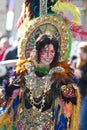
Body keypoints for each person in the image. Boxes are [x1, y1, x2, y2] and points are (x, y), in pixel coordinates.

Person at [0, 33, 80, 130]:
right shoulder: (24, 71)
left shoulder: (60, 76)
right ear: (38, 51)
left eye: (52, 51)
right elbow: (9, 98)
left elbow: (70, 101)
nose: (48, 55)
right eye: (44, 51)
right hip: (22, 125)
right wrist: (13, 86)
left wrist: (67, 89)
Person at [74, 42, 87, 130]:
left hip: (85, 96)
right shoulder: (76, 62)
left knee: (82, 123)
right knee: (76, 121)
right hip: (76, 95)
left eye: (81, 52)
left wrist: (81, 74)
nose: (79, 54)